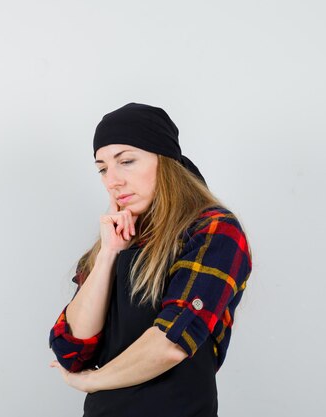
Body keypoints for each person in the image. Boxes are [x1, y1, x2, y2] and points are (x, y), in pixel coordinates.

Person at [48, 102, 253, 417]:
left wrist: (93, 381)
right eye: (102, 168)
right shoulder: (114, 241)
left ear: (166, 162)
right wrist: (107, 255)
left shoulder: (213, 230)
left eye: (126, 161)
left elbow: (172, 343)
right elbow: (72, 349)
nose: (112, 180)